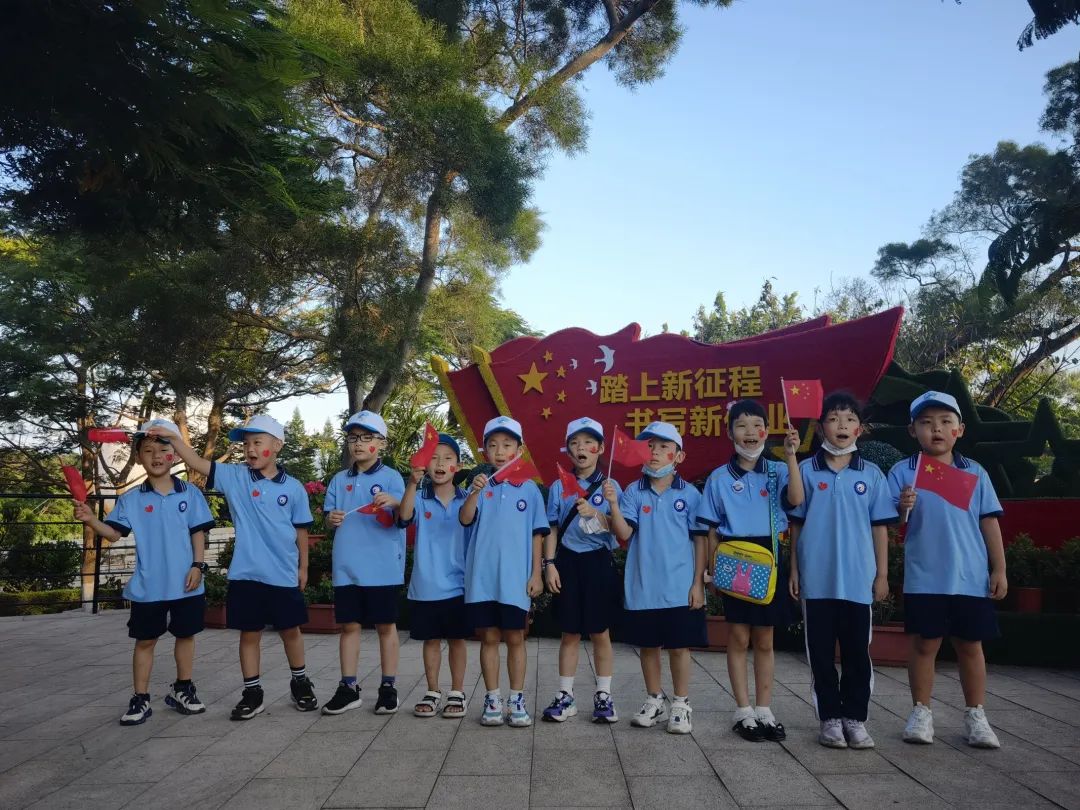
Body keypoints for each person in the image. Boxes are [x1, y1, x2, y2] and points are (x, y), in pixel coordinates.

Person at [153, 414, 318, 720]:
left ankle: (300, 682)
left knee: (291, 631)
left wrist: (304, 567)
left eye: (257, 442)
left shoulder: (294, 488)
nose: (250, 449)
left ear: (277, 445)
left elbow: (301, 531)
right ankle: (252, 692)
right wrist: (173, 438)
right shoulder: (234, 476)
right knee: (249, 634)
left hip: (283, 573)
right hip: (246, 574)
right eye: (246, 444)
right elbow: (196, 461)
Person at [73, 418, 215, 726]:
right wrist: (90, 520)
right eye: (148, 450)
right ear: (139, 457)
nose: (156, 456)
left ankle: (183, 688)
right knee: (145, 641)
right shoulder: (131, 499)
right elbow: (113, 534)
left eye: (163, 449)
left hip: (187, 582)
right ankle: (140, 698)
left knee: (185, 636)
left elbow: (198, 532)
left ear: (174, 455)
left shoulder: (190, 494)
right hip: (148, 585)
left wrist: (198, 565)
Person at [887, 390, 1007, 748]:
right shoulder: (903, 472)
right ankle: (921, 712)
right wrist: (903, 507)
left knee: (970, 646)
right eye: (926, 423)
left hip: (970, 577)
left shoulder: (975, 471)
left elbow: (989, 521)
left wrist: (999, 569)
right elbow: (891, 522)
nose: (936, 429)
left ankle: (976, 716)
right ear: (913, 431)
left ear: (959, 429)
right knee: (925, 645)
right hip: (924, 577)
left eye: (944, 422)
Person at [788, 393, 898, 749]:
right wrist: (794, 570)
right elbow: (796, 525)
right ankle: (830, 719)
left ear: (859, 429)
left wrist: (881, 575)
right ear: (822, 427)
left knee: (857, 654)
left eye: (850, 419)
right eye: (834, 418)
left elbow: (880, 528)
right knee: (820, 655)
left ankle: (855, 717)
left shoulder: (872, 474)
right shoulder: (805, 471)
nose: (842, 425)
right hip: (816, 579)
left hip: (857, 579)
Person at [696, 400, 803, 742]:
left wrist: (791, 456)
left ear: (766, 431)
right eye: (741, 425)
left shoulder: (778, 470)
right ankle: (743, 710)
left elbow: (796, 500)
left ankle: (764, 708)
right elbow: (711, 529)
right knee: (739, 636)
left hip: (769, 558)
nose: (750, 432)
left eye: (757, 425)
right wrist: (712, 571)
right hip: (735, 560)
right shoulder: (718, 478)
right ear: (730, 433)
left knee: (765, 638)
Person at [605, 421, 707, 735]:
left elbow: (700, 540)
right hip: (643, 585)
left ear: (679, 456)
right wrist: (613, 504)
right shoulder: (633, 492)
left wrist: (698, 583)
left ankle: (681, 704)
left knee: (679, 647)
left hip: (679, 586)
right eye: (649, 446)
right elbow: (623, 533)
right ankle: (654, 699)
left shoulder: (689, 494)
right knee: (648, 647)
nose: (655, 452)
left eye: (664, 447)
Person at [460, 416, 548, 727]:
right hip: (482, 578)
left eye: (507, 445)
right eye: (493, 445)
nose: (500, 451)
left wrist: (536, 574)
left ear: (519, 450)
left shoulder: (530, 490)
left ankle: (517, 699)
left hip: (515, 579)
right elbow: (465, 519)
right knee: (489, 638)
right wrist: (473, 492)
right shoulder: (480, 486)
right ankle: (492, 698)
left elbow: (538, 534)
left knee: (515, 637)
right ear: (484, 451)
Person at [318, 411, 406, 716]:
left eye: (366, 437)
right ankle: (348, 688)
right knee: (349, 626)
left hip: (383, 567)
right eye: (353, 437)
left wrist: (395, 502)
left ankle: (388, 687)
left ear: (381, 443)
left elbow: (405, 515)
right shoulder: (339, 480)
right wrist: (330, 519)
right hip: (347, 567)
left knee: (385, 626)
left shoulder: (392, 478)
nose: (358, 443)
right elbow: (328, 518)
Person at [541, 417, 623, 724]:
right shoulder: (558, 486)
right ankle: (566, 696)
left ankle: (604, 696)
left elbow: (620, 530)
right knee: (570, 632)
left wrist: (597, 513)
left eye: (588, 442)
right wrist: (549, 565)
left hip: (598, 562)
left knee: (600, 632)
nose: (581, 448)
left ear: (600, 448)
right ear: (568, 450)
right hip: (567, 562)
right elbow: (551, 528)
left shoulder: (611, 487)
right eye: (574, 443)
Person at [399, 432, 471, 719]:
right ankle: (432, 690)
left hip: (459, 584)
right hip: (426, 584)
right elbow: (404, 517)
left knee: (457, 640)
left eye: (448, 458)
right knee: (430, 640)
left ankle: (457, 692)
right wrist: (411, 483)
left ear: (458, 465)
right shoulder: (419, 498)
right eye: (433, 458)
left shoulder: (468, 499)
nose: (440, 464)